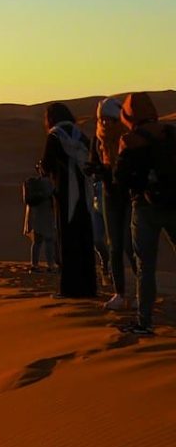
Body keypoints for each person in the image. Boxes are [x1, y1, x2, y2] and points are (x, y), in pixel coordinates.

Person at [115, 91, 176, 337]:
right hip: (174, 204)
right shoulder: (171, 133)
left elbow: (120, 178)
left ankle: (144, 321)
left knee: (145, 267)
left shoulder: (129, 140)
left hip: (144, 208)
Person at [40, 102, 98, 298]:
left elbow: (47, 165)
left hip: (65, 194)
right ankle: (89, 287)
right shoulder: (80, 134)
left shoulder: (55, 135)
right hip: (85, 192)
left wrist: (43, 169)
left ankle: (70, 289)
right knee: (84, 238)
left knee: (67, 239)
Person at [88, 95, 136, 311]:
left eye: (109, 119)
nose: (105, 123)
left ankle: (139, 291)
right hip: (109, 194)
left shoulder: (128, 138)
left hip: (130, 195)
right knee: (113, 245)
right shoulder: (97, 140)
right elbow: (93, 163)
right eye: (102, 119)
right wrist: (96, 170)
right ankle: (120, 293)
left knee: (130, 244)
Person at [22, 162, 57, 272]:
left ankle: (34, 265)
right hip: (46, 215)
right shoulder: (49, 183)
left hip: (36, 215)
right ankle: (50, 265)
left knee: (37, 242)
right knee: (48, 240)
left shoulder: (34, 183)